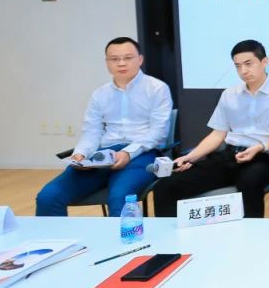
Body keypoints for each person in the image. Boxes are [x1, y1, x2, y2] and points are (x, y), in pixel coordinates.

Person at [151, 40, 269, 219]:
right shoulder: (229, 94)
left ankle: (251, 234)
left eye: (248, 64)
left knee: (249, 183)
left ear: (265, 62)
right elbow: (217, 134)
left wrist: (261, 146)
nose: (243, 71)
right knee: (166, 187)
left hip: (263, 158)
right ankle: (170, 235)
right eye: (238, 66)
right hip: (229, 156)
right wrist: (189, 157)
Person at [35, 37, 173, 217]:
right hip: (103, 156)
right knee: (48, 196)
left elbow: (158, 133)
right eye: (114, 59)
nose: (121, 63)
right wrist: (81, 154)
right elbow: (91, 132)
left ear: (140, 59)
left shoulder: (157, 89)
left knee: (120, 197)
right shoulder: (100, 94)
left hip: (142, 154)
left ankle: (126, 237)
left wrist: (128, 153)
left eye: (128, 58)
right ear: (107, 63)